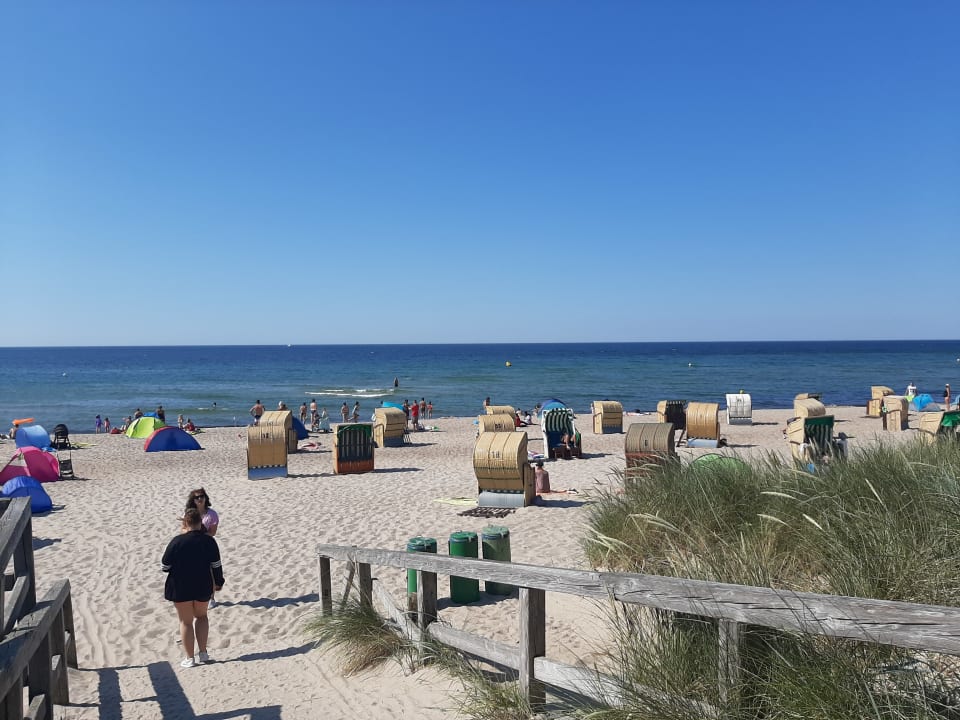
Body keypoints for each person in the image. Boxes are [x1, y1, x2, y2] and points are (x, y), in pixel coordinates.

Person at [162, 507, 224, 668]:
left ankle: (190, 658)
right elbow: (216, 565)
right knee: (202, 617)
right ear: (200, 522)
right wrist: (218, 582)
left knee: (185, 621)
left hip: (180, 585)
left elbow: (165, 565)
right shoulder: (209, 541)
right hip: (203, 583)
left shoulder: (177, 541)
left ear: (185, 522)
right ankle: (203, 653)